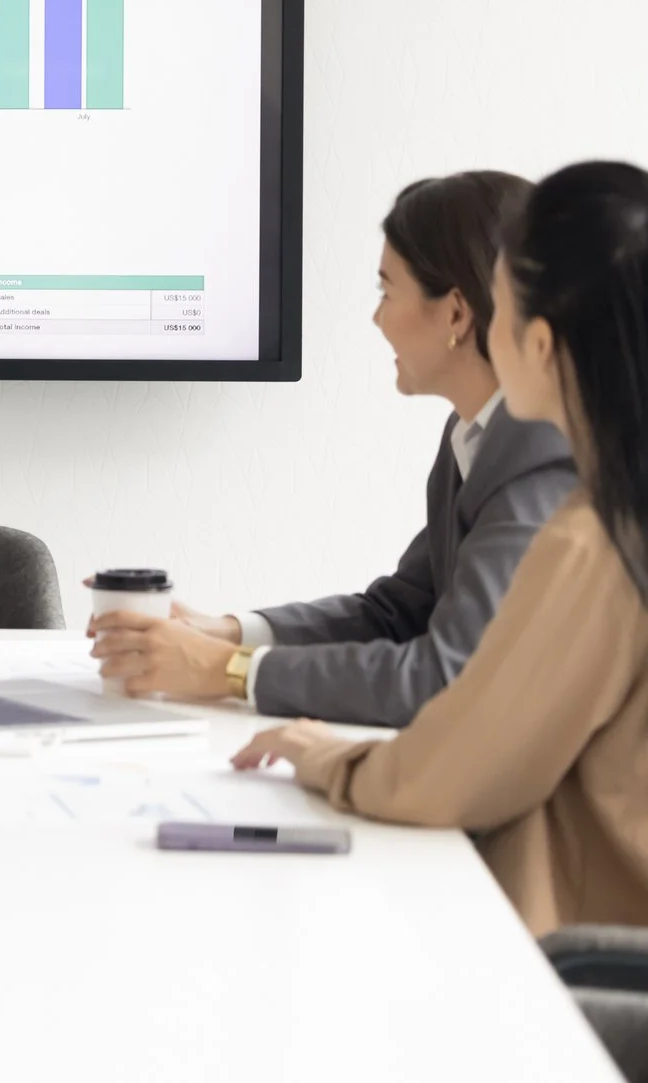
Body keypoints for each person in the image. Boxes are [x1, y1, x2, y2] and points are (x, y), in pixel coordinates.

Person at [234, 160, 648, 934]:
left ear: (539, 341)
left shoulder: (594, 537)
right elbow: (403, 610)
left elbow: (455, 766)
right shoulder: (589, 500)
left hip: (587, 967)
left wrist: (319, 753)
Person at [90, 172, 576, 724]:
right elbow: (396, 613)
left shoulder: (542, 458)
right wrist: (223, 632)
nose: (376, 318)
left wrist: (229, 669)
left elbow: (445, 677)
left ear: (457, 314)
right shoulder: (474, 436)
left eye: (386, 291)